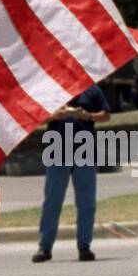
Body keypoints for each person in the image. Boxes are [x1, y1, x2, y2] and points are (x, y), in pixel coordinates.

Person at [33, 82, 110, 263]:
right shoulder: (52, 89)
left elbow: (106, 115)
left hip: (84, 152)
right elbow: (36, 118)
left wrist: (88, 116)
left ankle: (84, 247)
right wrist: (54, 116)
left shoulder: (92, 90)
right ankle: (45, 247)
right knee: (52, 201)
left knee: (86, 203)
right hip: (57, 150)